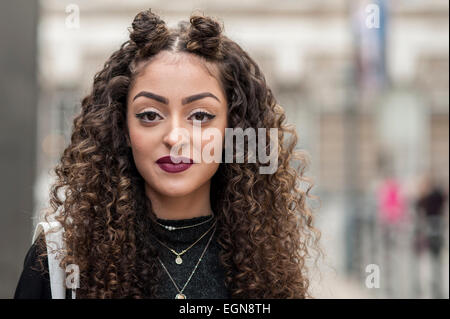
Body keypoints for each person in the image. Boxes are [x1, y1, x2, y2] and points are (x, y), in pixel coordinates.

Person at [14, 9, 320, 299]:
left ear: (233, 129)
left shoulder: (266, 268)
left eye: (200, 116)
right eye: (149, 115)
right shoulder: (58, 260)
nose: (175, 138)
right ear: (122, 129)